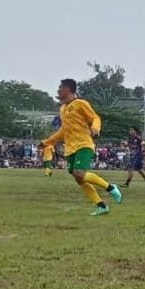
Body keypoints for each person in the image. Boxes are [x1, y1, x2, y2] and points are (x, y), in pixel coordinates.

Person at [39, 78, 122, 216]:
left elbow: (95, 117)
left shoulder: (81, 104)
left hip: (84, 144)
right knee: (78, 178)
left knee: (79, 173)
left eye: (60, 88)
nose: (58, 90)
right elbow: (63, 131)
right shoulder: (63, 109)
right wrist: (47, 142)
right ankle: (101, 206)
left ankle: (111, 187)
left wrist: (95, 128)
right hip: (70, 148)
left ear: (67, 89)